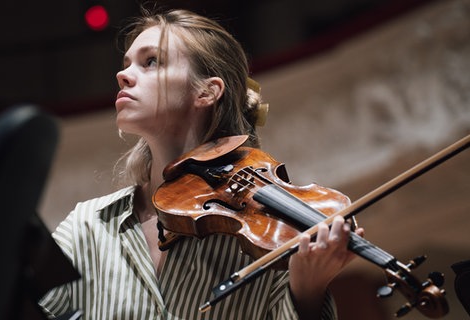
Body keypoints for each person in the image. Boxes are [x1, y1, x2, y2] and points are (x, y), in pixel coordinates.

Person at [39, 8, 363, 320]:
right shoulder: (88, 224)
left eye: (151, 62)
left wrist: (307, 289)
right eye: (126, 64)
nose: (122, 75)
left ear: (206, 92)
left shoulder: (265, 236)